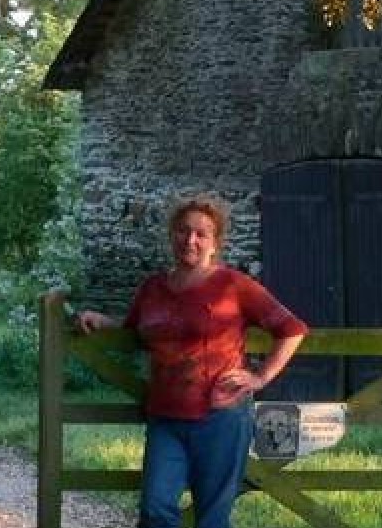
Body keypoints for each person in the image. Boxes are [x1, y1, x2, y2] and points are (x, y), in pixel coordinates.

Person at [74, 195, 308, 528]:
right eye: (183, 231)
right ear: (171, 235)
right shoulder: (153, 287)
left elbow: (292, 329)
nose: (190, 240)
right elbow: (137, 333)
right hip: (165, 419)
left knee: (212, 518)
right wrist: (101, 321)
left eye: (201, 234)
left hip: (221, 417)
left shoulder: (233, 285)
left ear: (216, 243)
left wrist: (261, 377)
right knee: (155, 508)